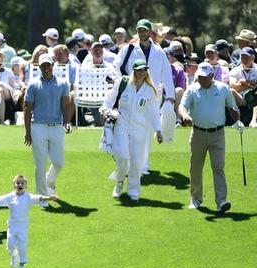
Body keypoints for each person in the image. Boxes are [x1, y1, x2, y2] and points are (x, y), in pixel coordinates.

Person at [178, 62, 243, 214]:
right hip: (198, 133)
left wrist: (236, 117)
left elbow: (233, 108)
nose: (202, 80)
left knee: (218, 167)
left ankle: (221, 201)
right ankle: (195, 199)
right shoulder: (192, 89)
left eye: (205, 77)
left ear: (212, 75)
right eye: (200, 77)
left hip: (217, 134)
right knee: (195, 167)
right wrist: (185, 115)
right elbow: (182, 106)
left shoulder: (223, 88)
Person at [113, 18, 175, 175]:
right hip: (131, 93)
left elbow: (166, 75)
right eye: (139, 30)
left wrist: (171, 96)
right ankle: (128, 162)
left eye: (145, 30)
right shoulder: (128, 49)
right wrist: (121, 83)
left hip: (152, 94)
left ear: (150, 32)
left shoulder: (159, 52)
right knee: (129, 129)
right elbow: (116, 67)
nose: (142, 33)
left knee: (146, 130)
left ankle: (143, 166)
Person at [100, 59, 163, 201]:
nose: (141, 73)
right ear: (134, 71)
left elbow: (154, 111)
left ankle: (133, 191)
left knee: (136, 161)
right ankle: (120, 181)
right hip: (121, 123)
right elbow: (109, 99)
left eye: (144, 70)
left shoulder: (150, 90)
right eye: (139, 70)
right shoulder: (123, 83)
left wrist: (158, 131)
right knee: (122, 155)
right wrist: (105, 110)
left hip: (139, 127)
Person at [0, 174, 58, 268]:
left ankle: (21, 267)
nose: (20, 185)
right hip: (12, 227)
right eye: (17, 183)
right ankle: (15, 256)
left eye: (22, 183)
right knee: (10, 246)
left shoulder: (28, 197)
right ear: (14, 185)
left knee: (22, 247)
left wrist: (50, 198)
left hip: (23, 227)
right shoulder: (10, 196)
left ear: (26, 186)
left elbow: (39, 198)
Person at [24, 54, 72, 197]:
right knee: (40, 163)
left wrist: (67, 121)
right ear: (39, 67)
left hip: (56, 126)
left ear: (52, 66)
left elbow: (65, 105)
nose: (46, 67)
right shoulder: (33, 84)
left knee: (59, 163)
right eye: (43, 65)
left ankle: (49, 181)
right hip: (38, 126)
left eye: (48, 65)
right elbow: (27, 109)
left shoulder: (63, 84)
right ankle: (42, 196)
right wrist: (27, 132)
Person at [229, 47, 257, 124]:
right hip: (241, 98)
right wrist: (248, 84)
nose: (244, 59)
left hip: (254, 98)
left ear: (253, 58)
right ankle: (237, 121)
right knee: (230, 92)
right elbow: (232, 86)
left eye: (246, 56)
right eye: (242, 56)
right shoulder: (235, 70)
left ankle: (254, 121)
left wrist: (243, 82)